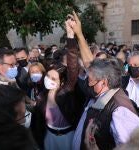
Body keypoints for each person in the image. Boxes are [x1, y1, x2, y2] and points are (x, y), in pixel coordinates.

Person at [68, 11, 139, 150]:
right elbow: (90, 64)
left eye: (91, 80)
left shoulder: (120, 111)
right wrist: (79, 34)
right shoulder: (102, 90)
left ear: (104, 81)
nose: (87, 83)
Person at [30, 17, 85, 150]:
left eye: (54, 78)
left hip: (67, 138)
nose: (49, 79)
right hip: (49, 137)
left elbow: (72, 68)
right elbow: (38, 121)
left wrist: (71, 36)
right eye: (48, 76)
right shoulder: (42, 95)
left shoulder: (66, 92)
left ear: (62, 83)